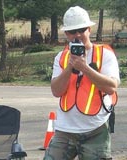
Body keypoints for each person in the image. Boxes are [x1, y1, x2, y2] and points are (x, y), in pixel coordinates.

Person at [43, 6, 120, 160]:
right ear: (66, 34)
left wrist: (84, 68)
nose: (77, 35)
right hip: (65, 131)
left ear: (89, 30)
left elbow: (111, 87)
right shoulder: (61, 57)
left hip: (95, 130)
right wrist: (71, 65)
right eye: (72, 31)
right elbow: (56, 91)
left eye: (81, 29)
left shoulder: (104, 54)